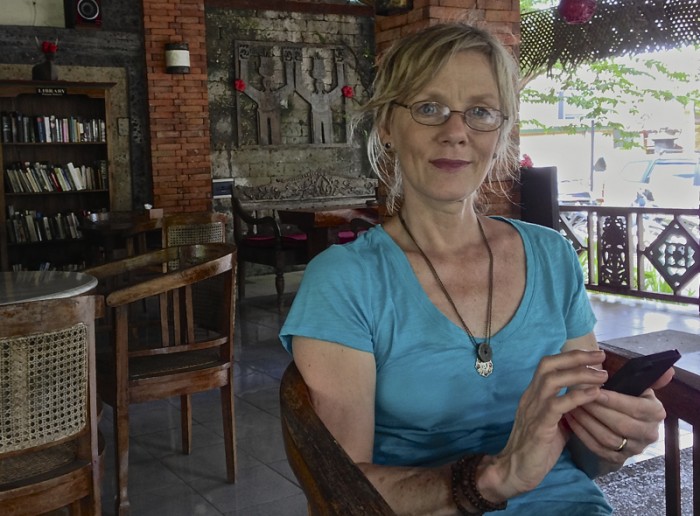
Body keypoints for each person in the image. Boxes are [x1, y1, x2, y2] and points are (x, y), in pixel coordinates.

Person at [280, 22, 671, 515]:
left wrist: (616, 435)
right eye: (428, 108)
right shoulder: (345, 281)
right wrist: (494, 478)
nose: (455, 132)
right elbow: (340, 490)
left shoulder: (552, 256)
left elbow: (584, 459)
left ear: (502, 130)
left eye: (481, 112)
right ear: (386, 125)